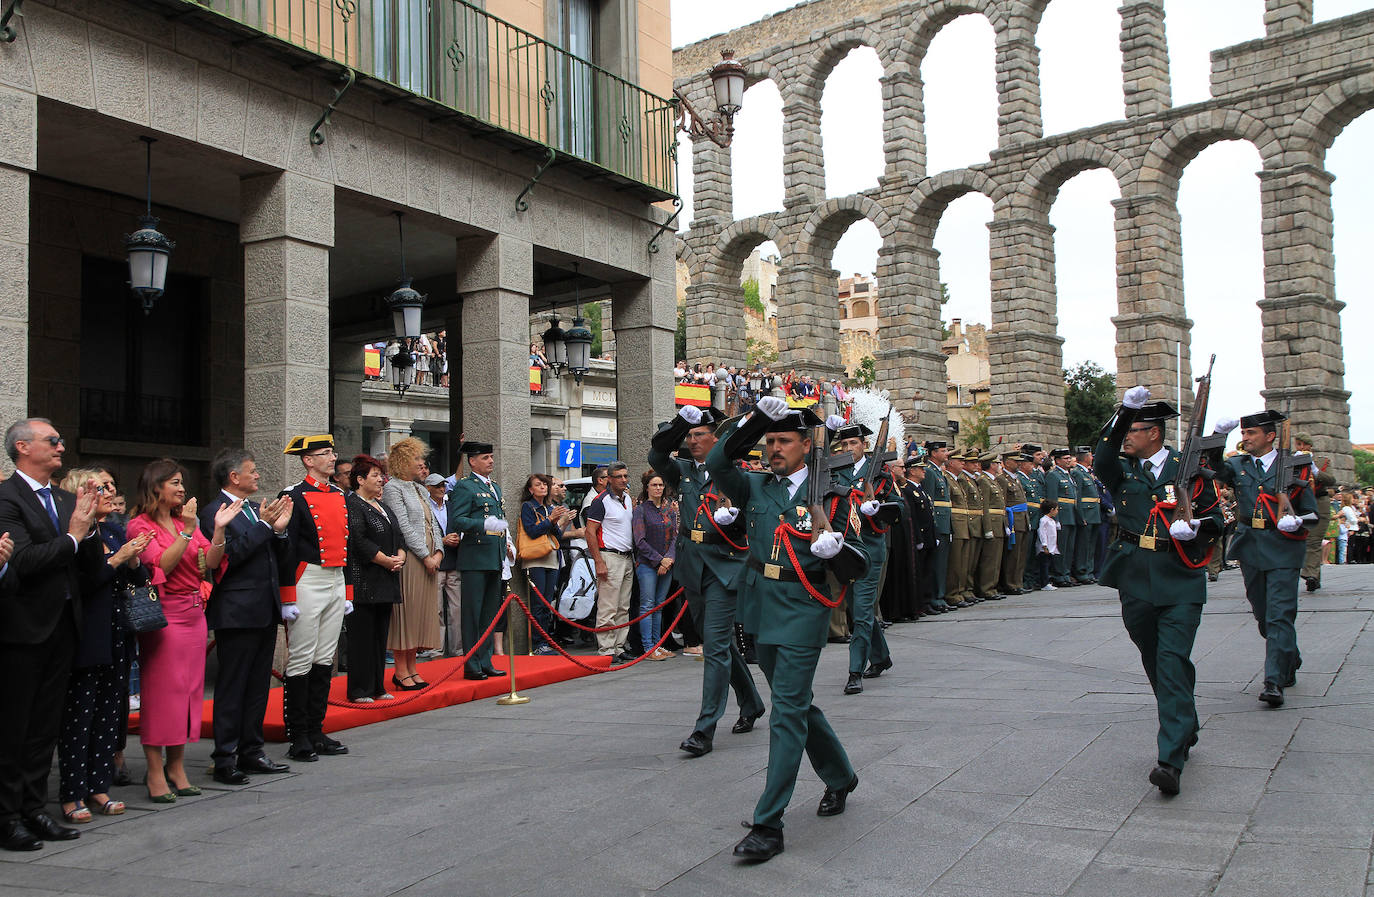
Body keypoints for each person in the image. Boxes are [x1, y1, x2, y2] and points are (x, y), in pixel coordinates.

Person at [707, 398, 860, 862]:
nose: (774, 448)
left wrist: (835, 548)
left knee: (786, 713)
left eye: (782, 440)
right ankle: (841, 776)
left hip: (801, 608)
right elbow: (717, 460)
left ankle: (768, 823)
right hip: (759, 605)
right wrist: (755, 420)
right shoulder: (754, 486)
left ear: (806, 446)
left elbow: (859, 559)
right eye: (770, 442)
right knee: (796, 705)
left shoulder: (832, 493)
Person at [1095, 389, 1223, 796]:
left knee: (1170, 660)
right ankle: (1186, 720)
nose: (1126, 437)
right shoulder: (1120, 469)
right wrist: (1125, 410)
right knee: (1156, 658)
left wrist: (1197, 528)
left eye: (1133, 429)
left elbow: (1218, 520)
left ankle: (1170, 759)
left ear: (1155, 434)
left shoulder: (1192, 472)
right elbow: (1102, 454)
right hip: (1134, 576)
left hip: (1181, 575)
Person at [0, 418, 98, 850]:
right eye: (51, 441)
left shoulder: (65, 497)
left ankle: (33, 809)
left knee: (45, 727)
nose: (61, 447)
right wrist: (74, 536)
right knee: (13, 728)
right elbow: (22, 562)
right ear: (23, 447)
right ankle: (5, 816)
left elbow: (89, 568)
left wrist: (90, 528)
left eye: (61, 440)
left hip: (63, 625)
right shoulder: (6, 497)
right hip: (22, 629)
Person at [649, 406, 762, 757]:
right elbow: (655, 453)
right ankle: (752, 702)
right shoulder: (681, 470)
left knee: (714, 646)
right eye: (690, 435)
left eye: (700, 434)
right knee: (720, 644)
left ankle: (704, 729)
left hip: (725, 565)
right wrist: (682, 421)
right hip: (692, 565)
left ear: (716, 438)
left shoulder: (733, 471)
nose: (693, 440)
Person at [127, 459, 236, 801]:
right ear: (155, 486)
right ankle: (155, 769)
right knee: (163, 692)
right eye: (174, 483)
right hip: (164, 615)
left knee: (189, 692)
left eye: (182, 484)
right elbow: (161, 566)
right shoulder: (139, 525)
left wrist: (217, 530)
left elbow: (212, 562)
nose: (181, 489)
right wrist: (188, 531)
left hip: (194, 614)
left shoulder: (184, 522)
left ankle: (176, 765)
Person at [56, 468, 150, 823]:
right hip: (86, 634)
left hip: (118, 634)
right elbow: (84, 581)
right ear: (79, 493)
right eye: (101, 487)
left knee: (111, 715)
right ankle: (72, 792)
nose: (110, 491)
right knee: (79, 717)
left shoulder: (114, 529)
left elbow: (140, 579)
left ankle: (99, 785)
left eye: (111, 485)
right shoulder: (75, 534)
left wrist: (134, 558)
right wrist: (118, 558)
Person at [1207, 410, 1317, 708]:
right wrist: (1218, 437)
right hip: (1251, 545)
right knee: (1263, 613)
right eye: (1243, 434)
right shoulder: (1238, 464)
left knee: (1280, 614)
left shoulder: (1293, 466)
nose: (1245, 439)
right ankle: (1288, 657)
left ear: (1270, 436)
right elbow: (1213, 467)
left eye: (1250, 434)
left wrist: (1296, 521)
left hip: (1283, 546)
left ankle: (1273, 681)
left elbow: (1311, 511)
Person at [200, 449, 293, 786]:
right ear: (233, 477)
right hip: (236, 611)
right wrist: (266, 527)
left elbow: (273, 555)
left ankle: (252, 750)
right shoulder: (216, 512)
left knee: (257, 687)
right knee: (233, 685)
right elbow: (228, 558)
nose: (258, 476)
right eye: (252, 471)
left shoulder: (256, 510)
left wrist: (279, 531)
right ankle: (225, 756)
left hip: (264, 607)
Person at [277, 434, 354, 762]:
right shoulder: (293, 495)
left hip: (335, 577)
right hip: (307, 578)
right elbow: (287, 549)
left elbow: (346, 546)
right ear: (308, 460)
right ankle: (298, 735)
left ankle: (316, 728)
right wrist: (287, 596)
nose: (331, 458)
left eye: (331, 453)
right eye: (324, 454)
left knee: (325, 657)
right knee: (302, 657)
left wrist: (348, 590)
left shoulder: (339, 494)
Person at [830, 422, 893, 694]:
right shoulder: (837, 471)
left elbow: (895, 507)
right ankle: (880, 657)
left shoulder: (879, 471)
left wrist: (875, 507)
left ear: (864, 445)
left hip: (869, 547)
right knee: (858, 608)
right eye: (843, 445)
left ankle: (855, 671)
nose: (848, 449)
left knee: (862, 610)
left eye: (852, 443)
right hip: (846, 550)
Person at [447, 441, 512, 681]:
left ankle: (485, 661)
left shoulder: (494, 487)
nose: (491, 461)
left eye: (491, 457)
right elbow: (458, 520)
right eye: (485, 457)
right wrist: (483, 524)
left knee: (488, 615)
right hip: (475, 556)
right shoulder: (466, 486)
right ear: (472, 461)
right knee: (473, 614)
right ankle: (472, 663)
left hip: (493, 556)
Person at [382, 437, 443, 691]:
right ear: (402, 461)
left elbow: (433, 522)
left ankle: (413, 667)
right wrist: (425, 555)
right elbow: (403, 526)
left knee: (420, 614)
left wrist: (438, 551)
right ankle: (401, 670)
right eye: (416, 459)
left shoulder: (419, 489)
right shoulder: (393, 488)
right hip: (411, 559)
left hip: (429, 557)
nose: (421, 463)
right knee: (405, 615)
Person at [345, 455, 404, 703]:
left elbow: (398, 536)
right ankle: (360, 689)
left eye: (381, 476)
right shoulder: (354, 504)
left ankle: (378, 686)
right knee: (362, 637)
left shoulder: (383, 506)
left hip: (386, 579)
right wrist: (385, 560)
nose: (381, 480)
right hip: (364, 580)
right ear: (360, 480)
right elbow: (358, 541)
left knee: (381, 636)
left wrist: (400, 556)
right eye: (375, 476)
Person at [584, 461, 637, 663]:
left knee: (623, 606)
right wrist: (598, 561)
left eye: (626, 476)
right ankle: (606, 649)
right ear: (609, 479)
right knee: (608, 606)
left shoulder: (627, 499)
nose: (624, 480)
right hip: (609, 556)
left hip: (626, 556)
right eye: (619, 477)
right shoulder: (601, 500)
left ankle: (619, 646)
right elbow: (590, 532)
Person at [519, 474, 568, 655]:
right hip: (535, 558)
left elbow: (558, 535)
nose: (542, 487)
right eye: (538, 485)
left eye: (544, 485)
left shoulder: (549, 507)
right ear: (530, 489)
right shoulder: (528, 506)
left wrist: (557, 520)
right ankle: (538, 643)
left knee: (547, 602)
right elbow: (531, 531)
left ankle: (546, 640)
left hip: (551, 557)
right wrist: (549, 520)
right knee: (538, 602)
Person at [632, 471, 678, 661]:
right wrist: (660, 560)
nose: (658, 488)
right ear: (647, 487)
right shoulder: (641, 510)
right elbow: (640, 541)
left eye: (661, 485)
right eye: (654, 485)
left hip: (667, 564)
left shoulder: (669, 510)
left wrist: (668, 560)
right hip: (646, 564)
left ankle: (658, 645)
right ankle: (648, 647)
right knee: (647, 606)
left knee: (659, 606)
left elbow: (676, 536)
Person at [424, 473, 463, 657]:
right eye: (438, 486)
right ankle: (436, 648)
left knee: (456, 608)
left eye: (443, 485)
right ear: (428, 488)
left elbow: (460, 526)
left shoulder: (452, 506)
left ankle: (458, 648)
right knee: (436, 608)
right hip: (436, 562)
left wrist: (458, 538)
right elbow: (422, 533)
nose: (442, 489)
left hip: (454, 560)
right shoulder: (424, 507)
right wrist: (442, 540)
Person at [1294, 434, 1335, 591]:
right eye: (1298, 444)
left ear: (1310, 446)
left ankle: (1310, 574)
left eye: (1304, 444)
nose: (1301, 448)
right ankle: (1314, 577)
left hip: (1320, 503)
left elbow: (1331, 480)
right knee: (1304, 540)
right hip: (1301, 503)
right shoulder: (1291, 460)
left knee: (1314, 540)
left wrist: (1314, 469)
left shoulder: (1322, 461)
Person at [921, 441, 954, 612]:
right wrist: (933, 526)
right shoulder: (929, 472)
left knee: (942, 564)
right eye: (943, 450)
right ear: (933, 453)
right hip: (937, 525)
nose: (947, 453)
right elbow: (929, 502)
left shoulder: (938, 472)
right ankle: (934, 596)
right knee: (936, 564)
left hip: (945, 523)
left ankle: (940, 596)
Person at [1045, 449, 1079, 587]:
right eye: (1065, 458)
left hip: (1071, 514)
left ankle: (1066, 573)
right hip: (1062, 514)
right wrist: (1055, 518)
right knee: (1061, 546)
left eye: (1069, 458)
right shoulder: (1054, 475)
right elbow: (1052, 497)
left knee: (1069, 547)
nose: (1068, 460)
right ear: (1057, 460)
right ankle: (1059, 575)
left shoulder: (1068, 475)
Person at [1071, 448, 1101, 584]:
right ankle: (1081, 571)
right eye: (1089, 455)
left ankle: (1089, 570)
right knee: (1083, 544)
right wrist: (1080, 515)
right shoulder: (1077, 472)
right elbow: (1078, 495)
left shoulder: (1086, 472)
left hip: (1093, 512)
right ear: (1084, 457)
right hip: (1086, 512)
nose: (1092, 458)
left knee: (1091, 544)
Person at [1036, 500, 1060, 591]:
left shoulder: (1051, 520)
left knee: (1048, 565)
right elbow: (1042, 533)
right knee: (1044, 566)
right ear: (1051, 510)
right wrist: (1044, 545)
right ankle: (1044, 583)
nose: (1057, 512)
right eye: (1056, 509)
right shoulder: (1044, 520)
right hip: (1045, 548)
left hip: (1051, 548)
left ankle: (1047, 581)